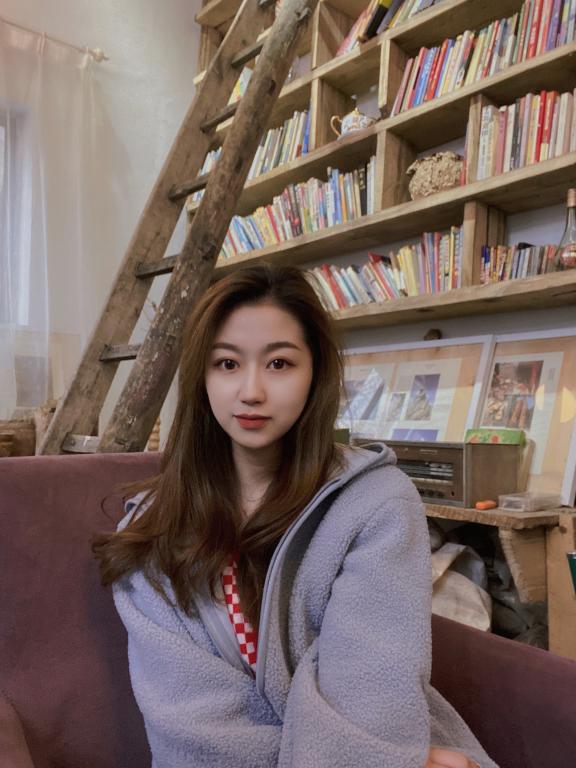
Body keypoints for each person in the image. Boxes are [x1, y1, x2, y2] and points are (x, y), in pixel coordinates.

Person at [93, 264, 497, 768]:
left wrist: (388, 757)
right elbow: (193, 738)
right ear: (201, 377)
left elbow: (371, 701)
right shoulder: (151, 531)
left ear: (315, 373)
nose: (252, 391)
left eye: (279, 363)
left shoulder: (376, 504)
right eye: (227, 364)